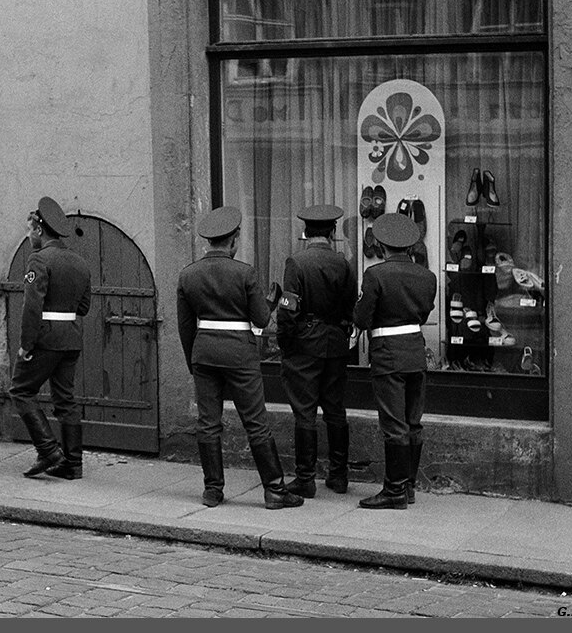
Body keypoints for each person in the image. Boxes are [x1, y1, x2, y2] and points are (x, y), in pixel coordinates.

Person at [177, 206, 303, 510]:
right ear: (233, 239)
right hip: (239, 354)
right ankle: (274, 490)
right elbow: (260, 319)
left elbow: (184, 326)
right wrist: (271, 301)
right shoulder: (244, 272)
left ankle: (212, 490)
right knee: (255, 422)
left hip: (203, 352)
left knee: (208, 423)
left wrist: (192, 360)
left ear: (209, 241)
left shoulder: (188, 275)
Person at [352, 213, 437, 510]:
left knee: (394, 424)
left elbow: (362, 318)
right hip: (415, 350)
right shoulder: (428, 276)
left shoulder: (375, 275)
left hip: (388, 352)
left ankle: (394, 490)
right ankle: (409, 487)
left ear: (382, 245)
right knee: (414, 422)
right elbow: (424, 314)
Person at [276, 204, 358, 499]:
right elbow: (351, 308)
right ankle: (339, 475)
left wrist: (285, 343)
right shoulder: (345, 264)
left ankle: (305, 479)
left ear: (305, 233)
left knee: (305, 413)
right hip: (335, 343)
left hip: (305, 345)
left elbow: (287, 311)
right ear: (333, 233)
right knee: (335, 410)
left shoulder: (296, 264)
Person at [8, 197, 92, 479]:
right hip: (70, 337)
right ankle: (73, 464)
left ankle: (47, 450)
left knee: (21, 390)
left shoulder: (39, 259)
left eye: (31, 230)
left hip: (45, 338)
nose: (29, 235)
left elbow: (32, 307)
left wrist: (26, 345)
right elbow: (84, 308)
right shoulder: (79, 261)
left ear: (41, 231)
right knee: (65, 400)